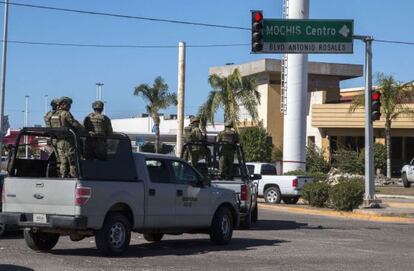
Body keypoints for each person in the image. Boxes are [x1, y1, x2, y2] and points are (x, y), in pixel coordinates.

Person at [50, 97, 82, 178]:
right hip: (68, 141)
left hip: (58, 141)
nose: (70, 107)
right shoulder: (65, 113)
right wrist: (84, 131)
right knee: (72, 162)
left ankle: (63, 176)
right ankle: (74, 177)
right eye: (69, 105)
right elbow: (74, 124)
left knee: (63, 162)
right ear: (64, 104)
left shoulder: (54, 114)